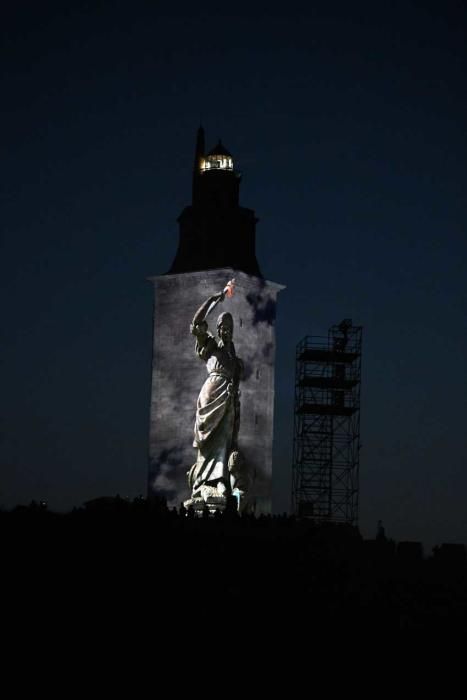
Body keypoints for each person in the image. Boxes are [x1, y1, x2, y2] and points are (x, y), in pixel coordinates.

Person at [187, 281, 249, 508]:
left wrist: (236, 397)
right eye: (223, 328)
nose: (226, 332)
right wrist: (214, 298)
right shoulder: (211, 345)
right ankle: (204, 481)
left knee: (224, 439)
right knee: (208, 440)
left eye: (230, 329)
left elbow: (237, 379)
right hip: (212, 393)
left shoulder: (233, 356)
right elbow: (196, 323)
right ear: (218, 329)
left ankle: (220, 480)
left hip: (229, 397)